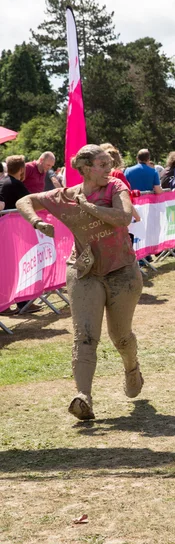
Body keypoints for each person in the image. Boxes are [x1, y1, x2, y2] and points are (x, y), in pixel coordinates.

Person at [16, 145, 144, 421]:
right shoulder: (65, 195)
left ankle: (131, 367)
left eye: (109, 163)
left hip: (122, 271)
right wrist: (38, 222)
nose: (108, 169)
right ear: (85, 167)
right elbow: (24, 201)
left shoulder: (115, 188)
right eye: (101, 164)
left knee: (120, 336)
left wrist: (88, 206)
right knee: (84, 336)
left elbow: (123, 218)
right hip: (84, 271)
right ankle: (83, 396)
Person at [0, 155, 43, 314]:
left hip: (8, 232)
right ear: (21, 169)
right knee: (17, 268)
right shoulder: (15, 184)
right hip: (14, 233)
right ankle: (21, 301)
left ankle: (14, 302)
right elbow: (32, 203)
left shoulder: (4, 182)